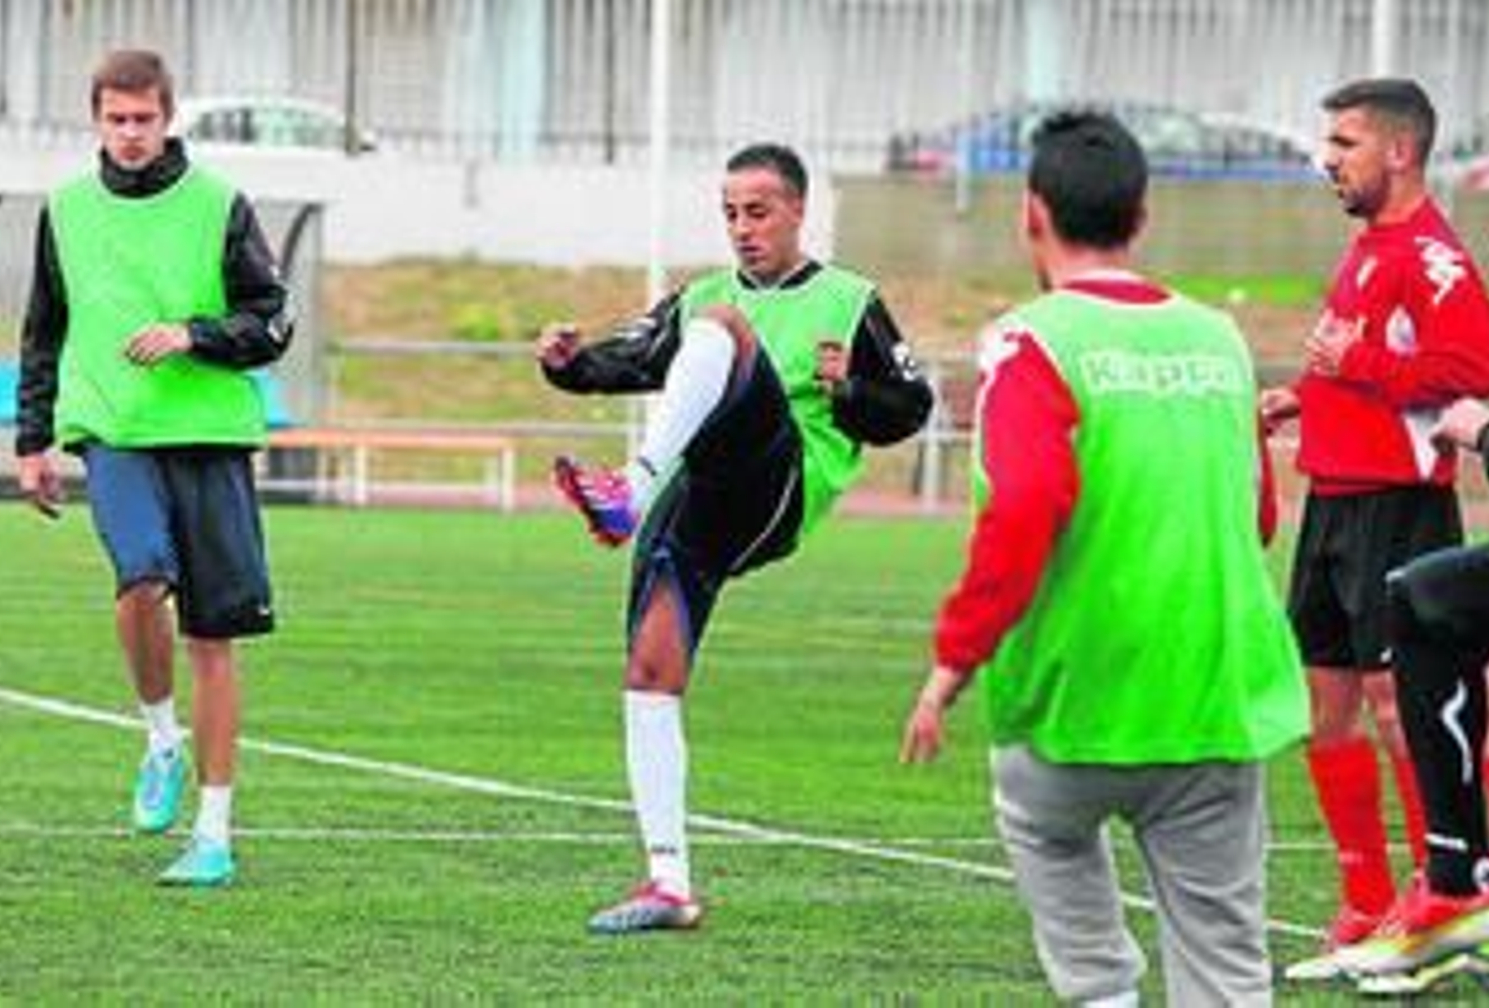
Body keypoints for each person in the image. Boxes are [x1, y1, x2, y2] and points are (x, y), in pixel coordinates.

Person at [899, 110, 1307, 1007]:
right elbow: (1260, 517)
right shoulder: (1219, 341)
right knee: (1227, 970)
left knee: (1076, 923)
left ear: (1031, 214)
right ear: (1143, 214)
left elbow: (1025, 507)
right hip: (1210, 694)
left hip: (1072, 696)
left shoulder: (1029, 339)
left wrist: (952, 663)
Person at [538, 142, 932, 934]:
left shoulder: (849, 300)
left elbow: (910, 406)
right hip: (705, 489)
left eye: (758, 212)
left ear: (797, 210)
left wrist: (847, 388)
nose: (742, 228)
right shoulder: (701, 296)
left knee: (725, 331)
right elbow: (634, 357)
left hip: (780, 484)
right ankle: (668, 882)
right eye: (729, 214)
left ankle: (629, 490)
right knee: (650, 670)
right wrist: (570, 364)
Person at [16, 49, 291, 887]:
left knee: (214, 636)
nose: (130, 134)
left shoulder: (220, 206)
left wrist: (194, 334)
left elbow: (273, 321)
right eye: (115, 120)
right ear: (96, 120)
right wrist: (32, 441)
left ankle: (213, 834)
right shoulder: (62, 211)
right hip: (116, 430)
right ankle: (159, 734)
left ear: (168, 118)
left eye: (143, 119)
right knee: (139, 579)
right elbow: (44, 330)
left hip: (208, 434)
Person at [1258, 78, 1489, 959]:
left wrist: (1354, 362)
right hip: (1333, 500)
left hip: (1401, 509)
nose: (1330, 160)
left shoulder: (1434, 257)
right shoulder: (1368, 249)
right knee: (1325, 707)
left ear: (1399, 151)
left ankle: (1440, 885)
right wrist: (1306, 398)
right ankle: (1363, 901)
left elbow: (1472, 375)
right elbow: (1363, 367)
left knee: (1405, 708)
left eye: (1346, 143)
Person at [1345, 110, 1489, 975]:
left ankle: (1462, 874)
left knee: (1427, 599)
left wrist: (1481, 429)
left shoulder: (1429, 261)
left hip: (1403, 500)